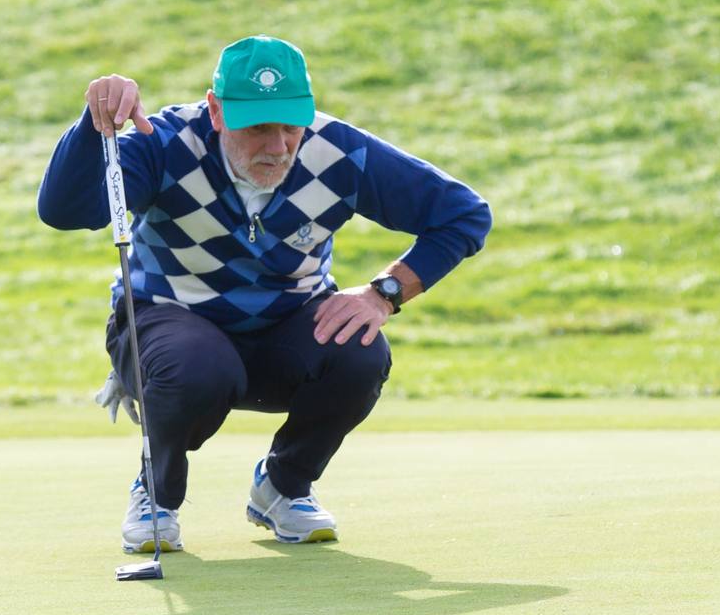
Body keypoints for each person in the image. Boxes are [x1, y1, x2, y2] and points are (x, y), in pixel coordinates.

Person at [38, 35, 492, 552]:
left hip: (284, 329)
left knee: (359, 352)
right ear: (215, 110)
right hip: (169, 323)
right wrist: (89, 125)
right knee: (197, 367)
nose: (277, 147)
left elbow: (464, 214)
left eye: (290, 125)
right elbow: (64, 211)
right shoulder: (162, 142)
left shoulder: (338, 151)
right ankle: (156, 493)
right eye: (256, 127)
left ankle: (283, 487)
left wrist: (382, 294)